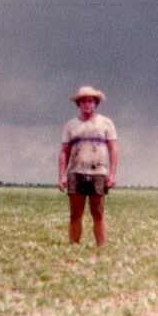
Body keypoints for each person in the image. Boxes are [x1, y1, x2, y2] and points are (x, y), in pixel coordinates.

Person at [58, 85, 118, 246]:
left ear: (96, 103)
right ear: (78, 104)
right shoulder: (70, 125)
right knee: (75, 214)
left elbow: (113, 149)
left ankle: (101, 247)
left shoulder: (106, 123)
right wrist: (62, 176)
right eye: (83, 101)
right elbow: (64, 151)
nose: (87, 104)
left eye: (90, 101)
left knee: (97, 213)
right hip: (76, 173)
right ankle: (73, 246)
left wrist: (112, 174)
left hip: (98, 172)